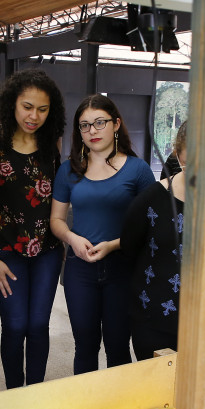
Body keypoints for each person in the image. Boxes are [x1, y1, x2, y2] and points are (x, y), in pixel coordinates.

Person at [122, 121, 205, 372]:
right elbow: (130, 247)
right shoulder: (152, 198)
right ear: (177, 155)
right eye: (190, 164)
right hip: (154, 318)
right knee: (156, 395)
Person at [0, 69, 66, 389]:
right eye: (27, 106)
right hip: (6, 251)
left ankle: (35, 394)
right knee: (14, 325)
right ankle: (15, 393)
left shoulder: (51, 141)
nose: (34, 116)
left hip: (47, 251)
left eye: (42, 109)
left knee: (38, 325)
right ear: (13, 103)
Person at [50, 94, 155, 374]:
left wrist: (113, 245)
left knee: (118, 346)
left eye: (99, 123)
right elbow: (56, 220)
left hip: (122, 268)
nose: (92, 131)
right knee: (84, 346)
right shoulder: (69, 170)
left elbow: (150, 225)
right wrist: (72, 239)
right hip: (79, 268)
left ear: (116, 124)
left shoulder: (138, 170)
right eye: (84, 126)